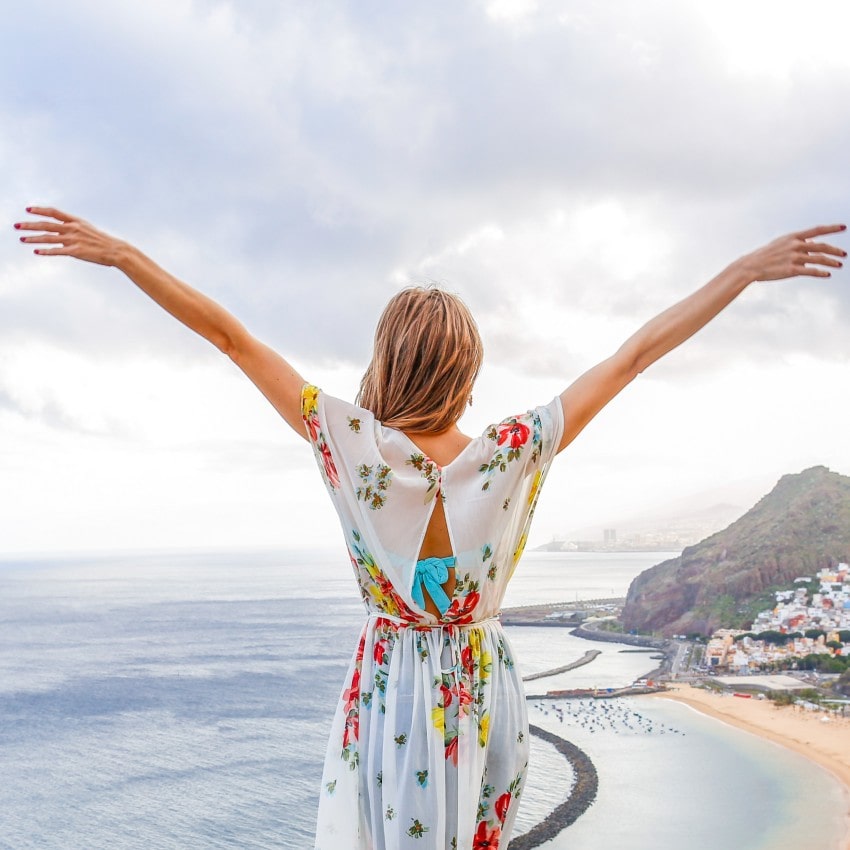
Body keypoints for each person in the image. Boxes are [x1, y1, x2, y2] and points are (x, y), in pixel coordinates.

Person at [14, 207, 846, 849]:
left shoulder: (348, 444)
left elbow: (230, 338)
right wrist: (739, 272)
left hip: (395, 690)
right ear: (468, 369)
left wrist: (123, 256)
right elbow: (632, 358)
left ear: (387, 359)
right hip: (485, 687)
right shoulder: (513, 451)